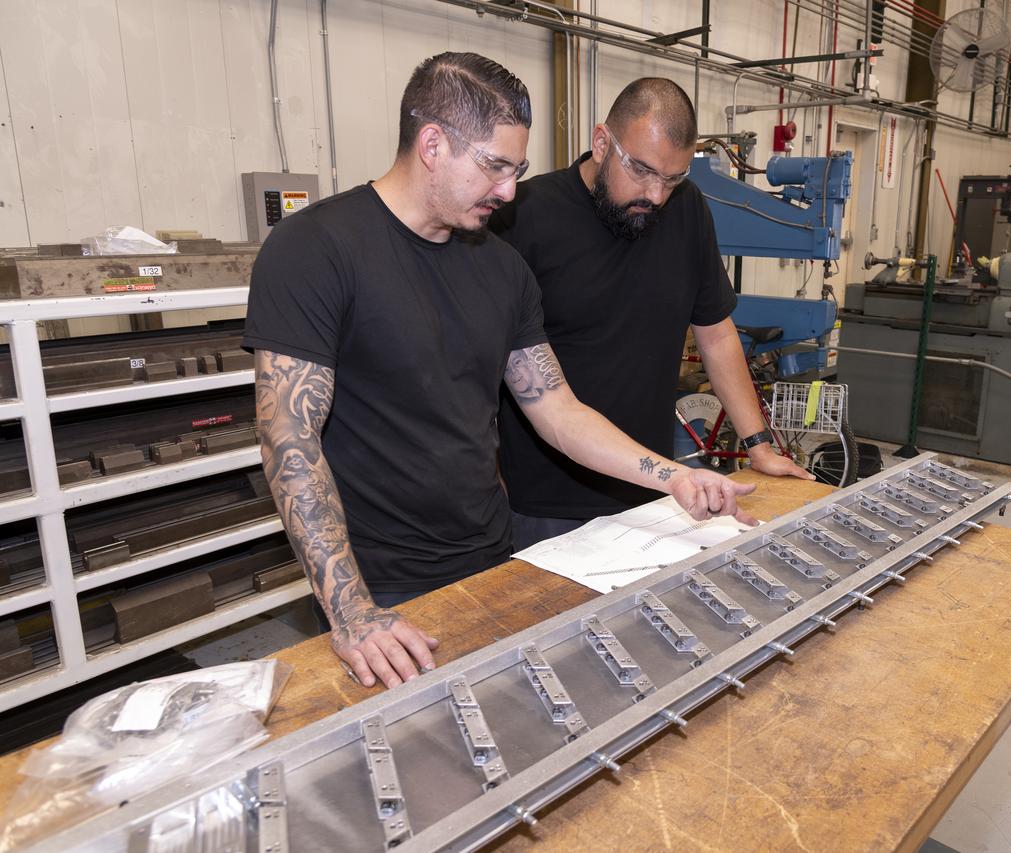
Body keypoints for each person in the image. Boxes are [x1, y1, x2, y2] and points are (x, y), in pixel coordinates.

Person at [244, 53, 757, 691]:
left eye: (517, 169)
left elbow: (559, 413)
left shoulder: (500, 268)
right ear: (432, 144)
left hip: (493, 555)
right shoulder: (316, 250)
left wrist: (674, 475)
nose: (510, 191)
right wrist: (351, 611)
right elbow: (289, 439)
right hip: (380, 583)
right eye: (494, 166)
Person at [490, 78, 812, 551]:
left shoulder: (687, 210)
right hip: (546, 506)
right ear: (602, 143)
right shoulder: (523, 216)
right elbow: (485, 365)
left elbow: (717, 335)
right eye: (641, 171)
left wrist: (758, 444)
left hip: (655, 493)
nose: (656, 194)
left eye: (672, 177)